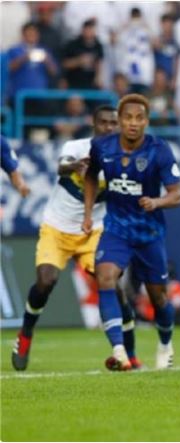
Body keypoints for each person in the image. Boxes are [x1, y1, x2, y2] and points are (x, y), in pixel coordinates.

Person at [10, 106, 134, 371]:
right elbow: (61, 166)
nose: (109, 128)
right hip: (57, 228)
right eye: (103, 122)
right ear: (93, 124)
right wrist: (76, 166)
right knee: (46, 281)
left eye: (113, 123)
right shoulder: (77, 147)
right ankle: (26, 333)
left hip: (93, 231)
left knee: (113, 285)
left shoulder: (124, 159)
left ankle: (127, 353)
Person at [83, 94, 180, 371]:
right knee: (105, 277)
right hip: (116, 229)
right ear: (119, 120)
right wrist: (88, 213)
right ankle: (119, 351)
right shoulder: (102, 146)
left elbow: (177, 194)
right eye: (128, 117)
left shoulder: (159, 150)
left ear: (146, 121)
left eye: (139, 118)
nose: (133, 123)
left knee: (158, 297)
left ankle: (165, 344)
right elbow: (90, 176)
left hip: (149, 233)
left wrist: (157, 202)